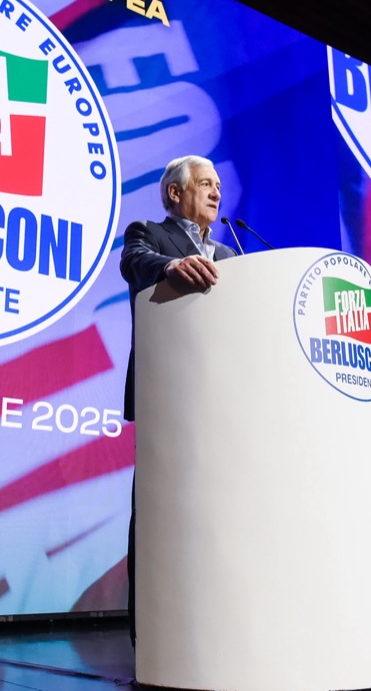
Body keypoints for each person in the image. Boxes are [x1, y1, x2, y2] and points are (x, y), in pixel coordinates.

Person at [118, 154, 238, 647]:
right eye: (205, 183)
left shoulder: (230, 255)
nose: (216, 192)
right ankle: (152, 638)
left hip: (226, 402)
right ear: (175, 192)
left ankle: (217, 632)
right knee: (159, 516)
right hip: (167, 393)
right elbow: (135, 264)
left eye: (218, 185)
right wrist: (172, 265)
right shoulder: (148, 233)